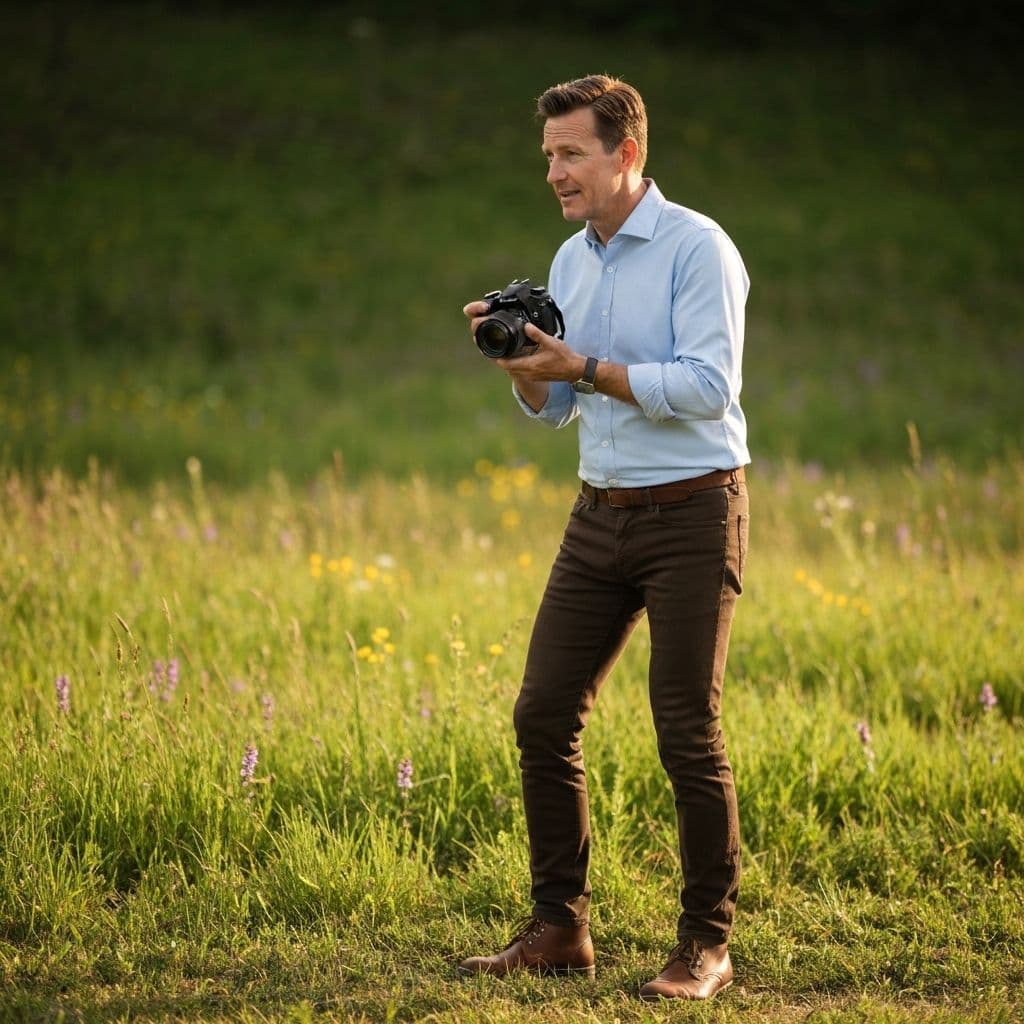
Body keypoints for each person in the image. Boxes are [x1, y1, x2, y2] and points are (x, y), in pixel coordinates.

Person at [457, 74, 750, 1002]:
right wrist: (521, 367)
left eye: (571, 152)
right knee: (543, 712)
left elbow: (709, 386)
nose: (554, 171)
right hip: (599, 513)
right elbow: (557, 410)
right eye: (549, 155)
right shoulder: (571, 259)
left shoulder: (699, 248)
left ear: (628, 153)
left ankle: (706, 944)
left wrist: (581, 364)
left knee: (686, 732)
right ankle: (559, 929)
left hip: (695, 514)